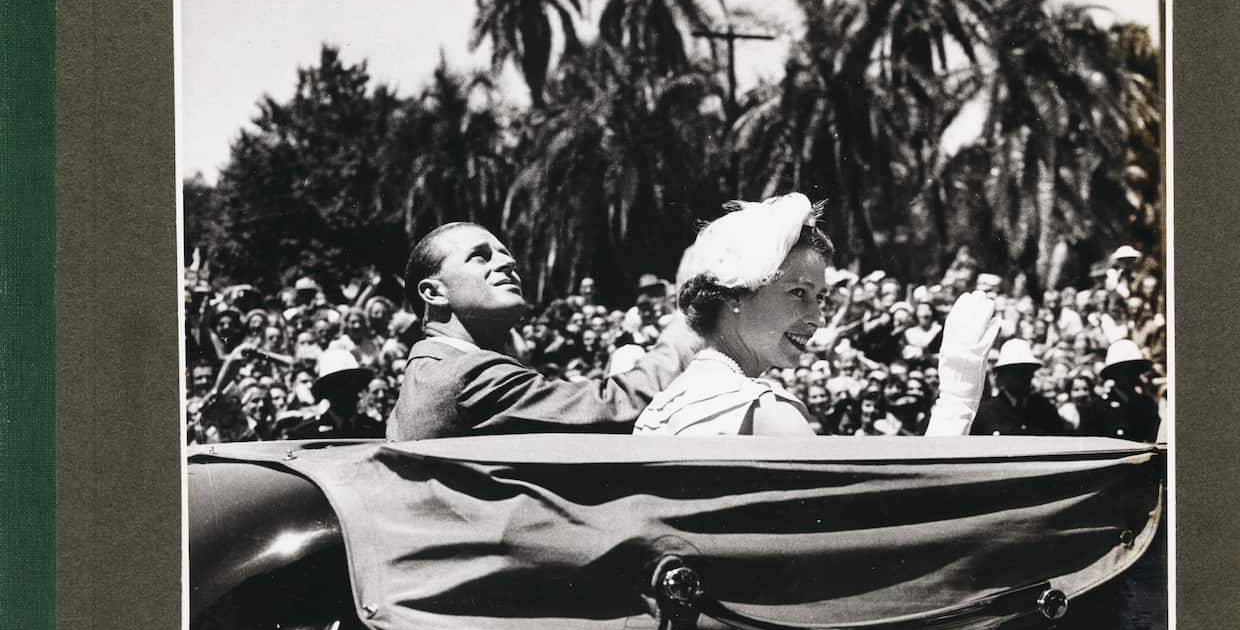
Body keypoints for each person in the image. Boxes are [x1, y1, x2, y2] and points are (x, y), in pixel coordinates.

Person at [634, 194, 999, 437]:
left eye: (820, 298)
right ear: (736, 296)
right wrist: (957, 402)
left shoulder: (660, 409)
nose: (818, 318)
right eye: (798, 294)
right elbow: (882, 538)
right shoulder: (769, 415)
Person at [386, 222, 698, 440]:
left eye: (505, 254)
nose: (508, 262)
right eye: (480, 256)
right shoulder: (466, 376)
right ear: (434, 293)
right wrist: (690, 325)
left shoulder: (428, 373)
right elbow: (611, 406)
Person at [970, 338, 1067, 437]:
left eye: (1027, 370)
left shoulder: (1045, 409)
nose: (1023, 376)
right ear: (1002, 375)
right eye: (1015, 371)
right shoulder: (985, 413)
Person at [1079, 339, 1161, 442]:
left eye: (1134, 369)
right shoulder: (1097, 408)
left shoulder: (1147, 404)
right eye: (1125, 370)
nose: (1131, 375)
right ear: (1113, 373)